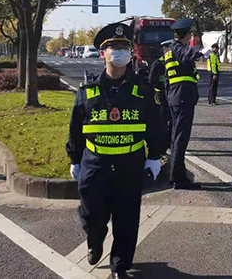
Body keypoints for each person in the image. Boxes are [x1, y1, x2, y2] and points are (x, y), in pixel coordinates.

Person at [66, 23, 164, 279]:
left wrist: (155, 156)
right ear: (103, 53)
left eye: (124, 47)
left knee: (127, 219)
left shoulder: (143, 91)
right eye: (114, 47)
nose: (120, 52)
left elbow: (155, 125)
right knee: (91, 214)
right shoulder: (88, 92)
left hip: (129, 164)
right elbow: (76, 128)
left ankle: (120, 266)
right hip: (95, 163)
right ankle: (95, 238)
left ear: (131, 53)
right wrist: (75, 159)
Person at [164, 19, 205, 189]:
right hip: (182, 99)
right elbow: (188, 54)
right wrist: (201, 50)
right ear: (187, 35)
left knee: (177, 138)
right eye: (190, 33)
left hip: (176, 98)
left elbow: (166, 79)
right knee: (181, 138)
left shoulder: (170, 50)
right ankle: (179, 179)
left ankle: (176, 175)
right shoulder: (177, 48)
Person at [148, 39, 174, 159]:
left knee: (172, 121)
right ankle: (161, 148)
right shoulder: (158, 63)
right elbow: (152, 80)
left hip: (171, 94)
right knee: (162, 121)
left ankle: (170, 144)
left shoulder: (174, 62)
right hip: (161, 95)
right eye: (168, 49)